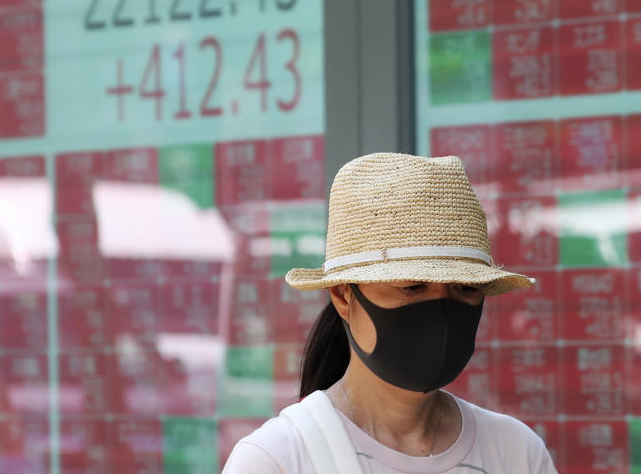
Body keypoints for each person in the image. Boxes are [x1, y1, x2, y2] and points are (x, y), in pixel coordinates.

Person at [222, 152, 558, 474]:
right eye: (413, 287)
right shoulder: (277, 459)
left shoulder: (516, 452)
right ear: (342, 295)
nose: (441, 313)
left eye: (465, 289)